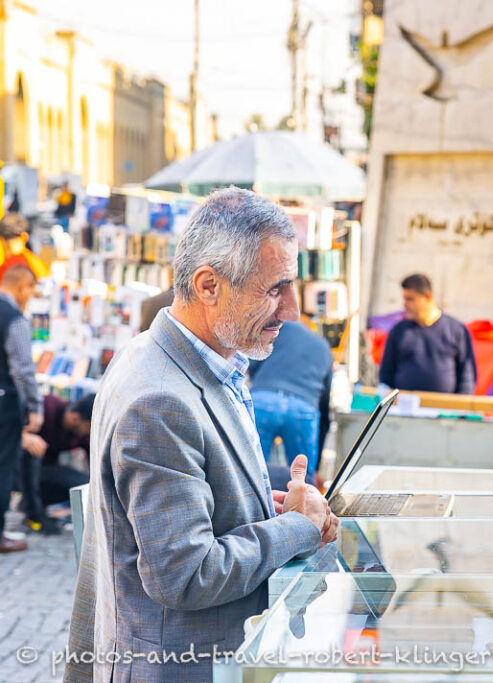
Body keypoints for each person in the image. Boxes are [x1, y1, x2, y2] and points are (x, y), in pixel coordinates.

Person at [65, 188, 339, 682]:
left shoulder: (193, 358)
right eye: (275, 288)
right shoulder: (160, 399)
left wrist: (265, 506)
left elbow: (186, 509)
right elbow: (184, 574)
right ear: (209, 285)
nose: (292, 310)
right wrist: (297, 528)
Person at [248, 320, 334, 480]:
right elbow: (324, 408)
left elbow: (253, 361)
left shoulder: (283, 328)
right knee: (303, 479)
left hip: (264, 400)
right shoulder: (324, 348)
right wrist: (315, 467)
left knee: (250, 470)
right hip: (303, 408)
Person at [378, 273, 477, 395]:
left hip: (445, 410)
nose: (405, 304)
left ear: (428, 297)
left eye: (410, 299)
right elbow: (386, 375)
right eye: (404, 299)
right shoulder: (398, 332)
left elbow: (467, 375)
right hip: (404, 410)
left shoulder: (456, 331)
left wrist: (460, 409)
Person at [0, 264, 41, 553]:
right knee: (3, 468)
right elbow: (23, 369)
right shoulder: (14, 319)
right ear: (22, 286)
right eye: (31, 291)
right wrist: (35, 406)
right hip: (4, 402)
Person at [20, 393, 94, 534]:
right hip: (18, 468)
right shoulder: (46, 407)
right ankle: (33, 513)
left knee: (86, 483)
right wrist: (23, 437)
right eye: (89, 426)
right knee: (33, 453)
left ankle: (32, 506)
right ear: (76, 417)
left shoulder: (81, 432)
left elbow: (95, 463)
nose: (89, 432)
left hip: (45, 472)